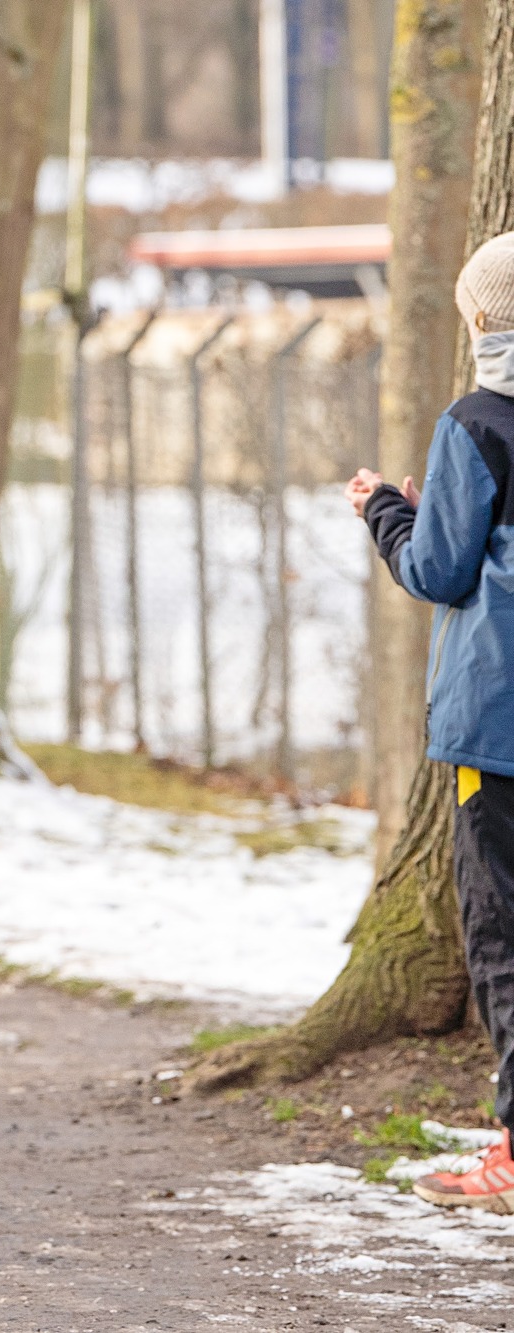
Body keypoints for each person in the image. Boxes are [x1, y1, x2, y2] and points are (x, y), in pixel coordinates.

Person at [349, 230, 514, 1214]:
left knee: (500, 935)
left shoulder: (475, 422)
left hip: (495, 727)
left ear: (481, 319)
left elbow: (439, 570)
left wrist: (385, 511)